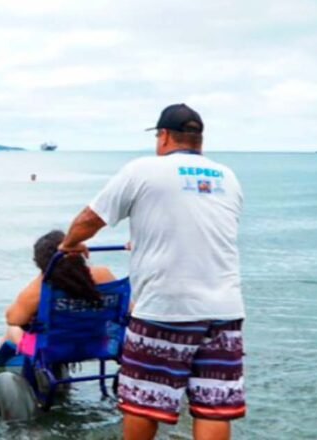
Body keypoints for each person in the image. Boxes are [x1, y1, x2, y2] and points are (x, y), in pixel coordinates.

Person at [58, 104, 245, 440]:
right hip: (225, 309)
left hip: (166, 308)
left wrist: (70, 244)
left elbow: (90, 219)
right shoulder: (228, 178)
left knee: (143, 401)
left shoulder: (143, 170)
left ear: (163, 136)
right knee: (212, 405)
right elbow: (194, 226)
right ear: (199, 139)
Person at [0, 230, 116, 364]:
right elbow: (128, 308)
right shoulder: (103, 274)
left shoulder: (41, 289)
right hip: (100, 344)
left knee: (13, 330)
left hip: (52, 350)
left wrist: (44, 275)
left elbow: (12, 318)